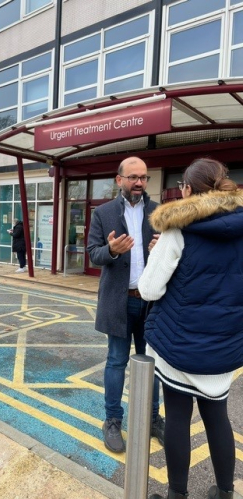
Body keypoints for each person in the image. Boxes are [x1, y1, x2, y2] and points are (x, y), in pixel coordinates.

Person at [138, 158, 243, 499]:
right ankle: (225, 492)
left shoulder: (176, 230)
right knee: (218, 418)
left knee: (179, 419)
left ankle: (177, 495)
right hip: (226, 345)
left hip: (178, 346)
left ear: (186, 189)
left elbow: (149, 290)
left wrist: (160, 258)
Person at [87, 156, 164, 453]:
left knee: (153, 365)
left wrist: (161, 251)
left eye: (143, 177)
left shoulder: (159, 211)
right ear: (119, 180)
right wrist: (112, 250)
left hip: (152, 303)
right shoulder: (103, 213)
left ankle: (153, 418)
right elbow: (94, 253)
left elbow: (174, 254)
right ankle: (113, 421)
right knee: (116, 361)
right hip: (119, 302)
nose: (139, 182)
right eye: (133, 177)